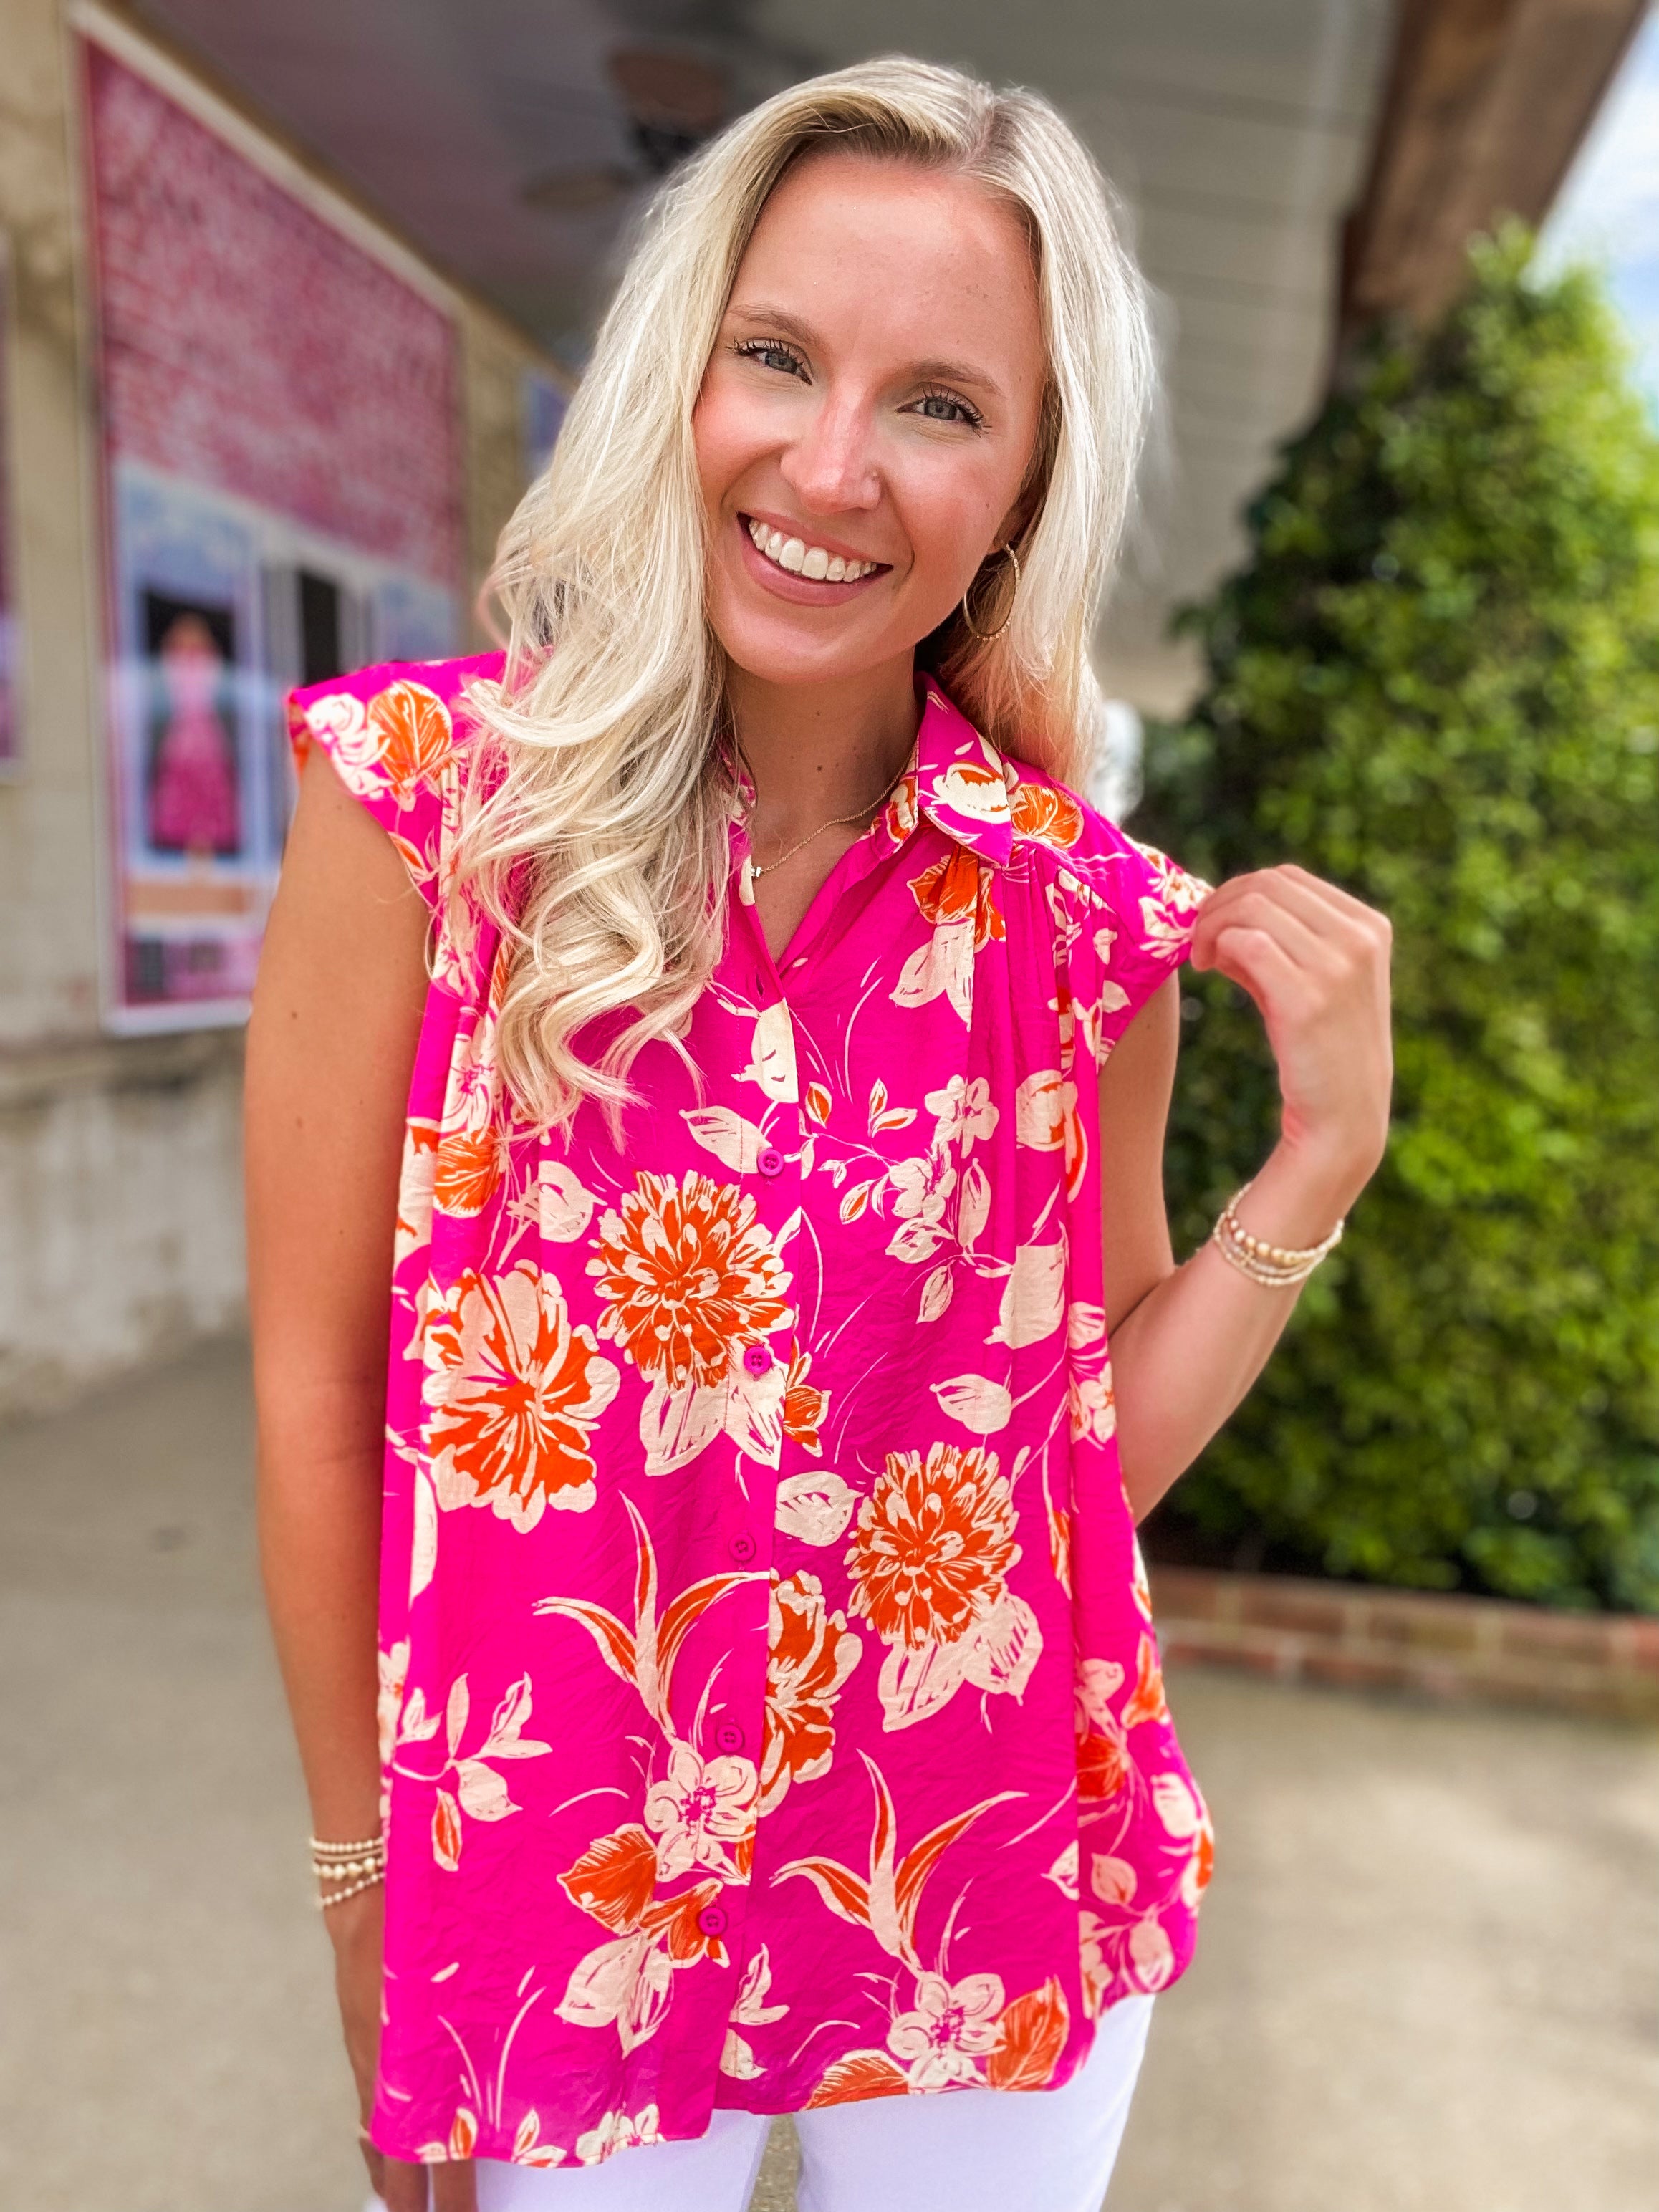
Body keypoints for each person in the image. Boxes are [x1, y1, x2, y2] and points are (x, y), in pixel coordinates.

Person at [246, 56, 1392, 2212]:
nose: (831, 463)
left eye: (942, 403)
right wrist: (351, 1877)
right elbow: (317, 1399)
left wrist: (1303, 1182)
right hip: (564, 1891)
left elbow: (1061, 1472)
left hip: (983, 1878)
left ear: (1030, 474)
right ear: (681, 372)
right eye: (775, 357)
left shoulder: (1072, 918)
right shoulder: (416, 810)